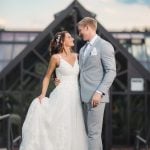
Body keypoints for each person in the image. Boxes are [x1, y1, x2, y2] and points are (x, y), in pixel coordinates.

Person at [19, 31, 88, 150]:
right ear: (62, 41)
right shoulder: (56, 58)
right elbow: (47, 76)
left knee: (74, 126)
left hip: (75, 96)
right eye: (69, 37)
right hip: (61, 95)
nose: (72, 39)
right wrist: (42, 94)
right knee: (61, 125)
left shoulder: (77, 56)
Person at [55, 17, 116, 150]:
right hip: (82, 97)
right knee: (88, 133)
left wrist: (99, 93)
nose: (79, 33)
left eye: (81, 30)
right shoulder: (82, 50)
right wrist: (60, 78)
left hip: (96, 97)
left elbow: (111, 71)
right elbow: (76, 71)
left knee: (93, 134)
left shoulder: (105, 46)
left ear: (88, 27)